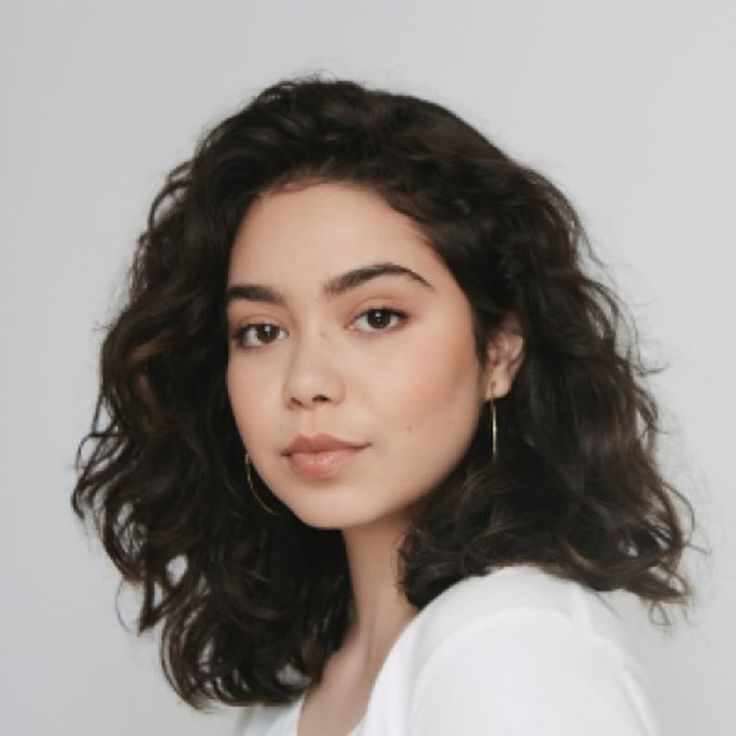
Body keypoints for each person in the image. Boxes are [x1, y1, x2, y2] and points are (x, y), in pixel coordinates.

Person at [72, 75, 697, 735]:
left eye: (375, 317)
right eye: (262, 330)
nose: (306, 381)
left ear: (499, 352)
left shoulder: (508, 646)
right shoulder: (299, 689)